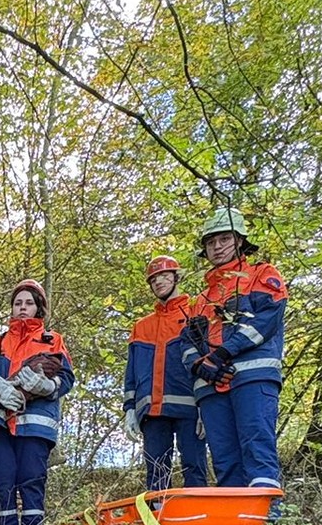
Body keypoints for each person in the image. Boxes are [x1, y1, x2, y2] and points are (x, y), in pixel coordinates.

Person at [181, 208, 287, 490]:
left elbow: (267, 320)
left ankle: (266, 519)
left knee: (257, 443)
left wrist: (223, 353)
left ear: (239, 240)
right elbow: (185, 341)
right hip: (211, 386)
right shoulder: (200, 299)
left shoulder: (261, 275)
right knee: (224, 456)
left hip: (252, 377)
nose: (217, 247)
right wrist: (200, 365)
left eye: (224, 239)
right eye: (211, 242)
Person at [0, 279, 75, 525]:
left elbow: (67, 379)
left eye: (28, 303)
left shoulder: (53, 340)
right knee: (3, 477)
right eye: (18, 303)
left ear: (38, 307)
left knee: (32, 477)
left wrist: (46, 385)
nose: (22, 307)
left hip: (36, 421)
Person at [122, 256, 209, 489]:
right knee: (156, 472)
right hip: (152, 411)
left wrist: (207, 403)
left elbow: (207, 358)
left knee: (194, 465)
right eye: (153, 279)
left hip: (190, 406)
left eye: (164, 275)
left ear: (176, 277)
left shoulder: (195, 312)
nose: (158, 281)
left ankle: (197, 520)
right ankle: (158, 521)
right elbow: (131, 372)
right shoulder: (141, 326)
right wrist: (129, 409)